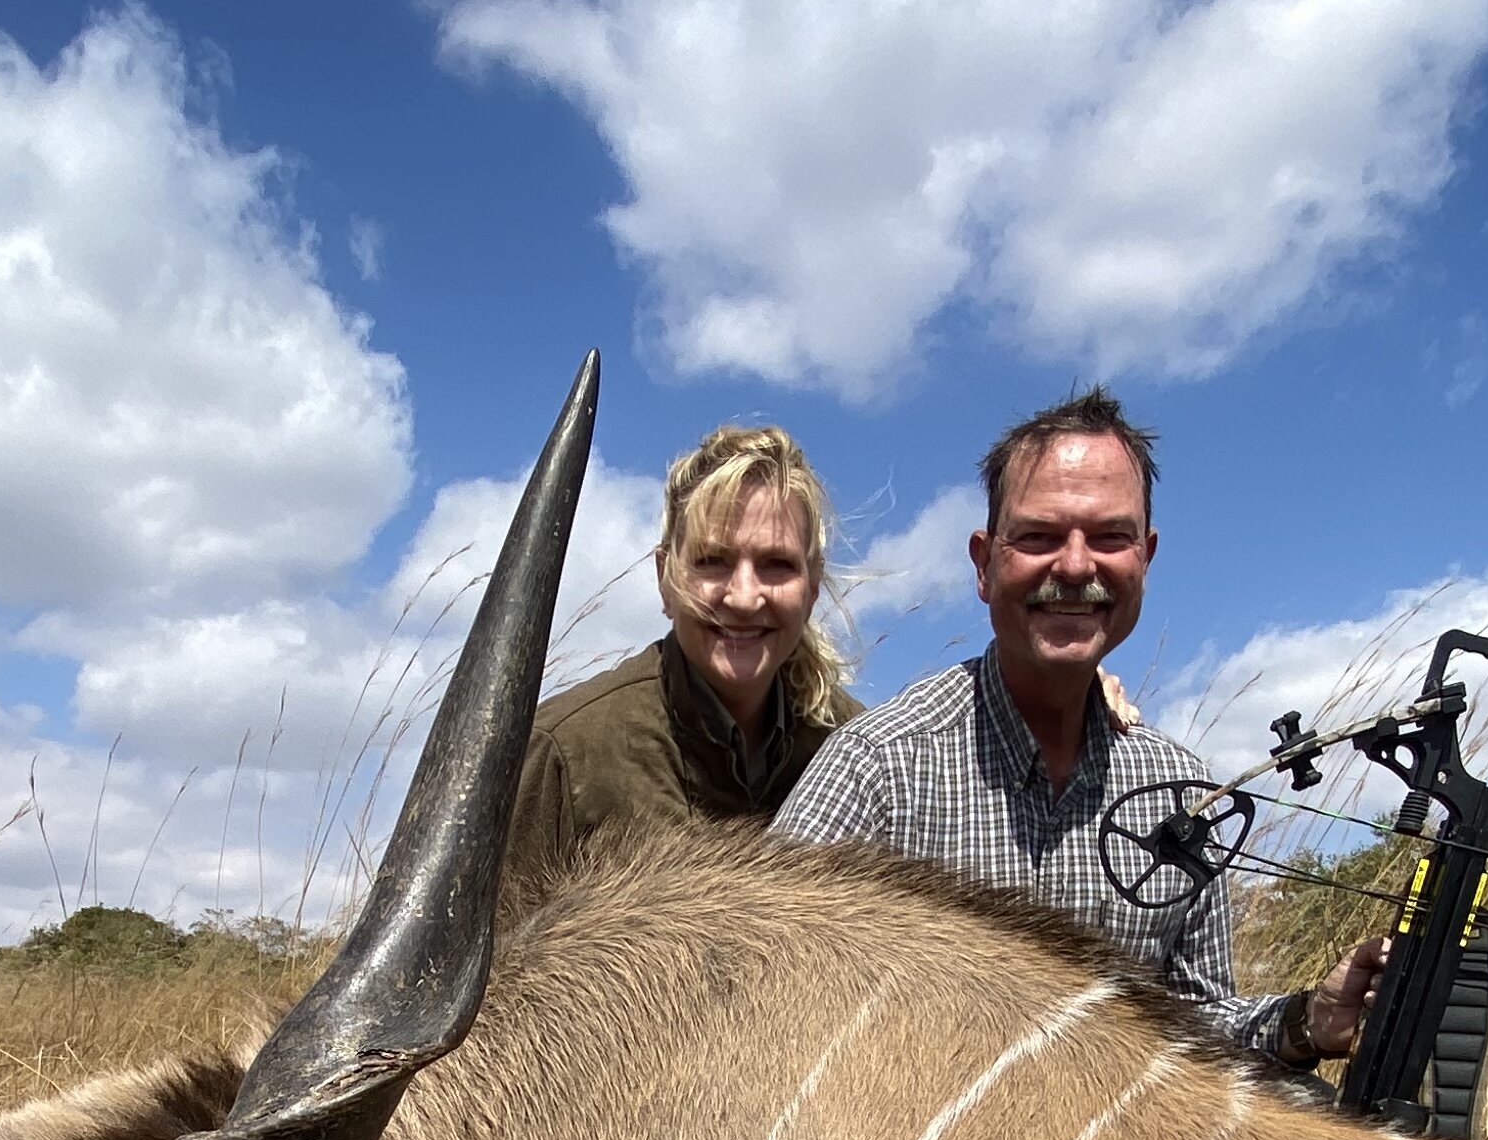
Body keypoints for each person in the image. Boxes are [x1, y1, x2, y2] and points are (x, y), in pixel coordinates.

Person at [773, 388, 1382, 1073]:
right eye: (1037, 536)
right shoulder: (878, 766)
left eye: (1108, 537)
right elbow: (762, 988)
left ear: (1145, 558)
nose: (1074, 566)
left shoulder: (1180, 793)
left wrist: (1310, 1020)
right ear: (983, 562)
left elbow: (1198, 1024)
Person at [508, 423, 859, 879]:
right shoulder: (564, 753)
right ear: (665, 577)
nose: (744, 597)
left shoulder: (859, 753)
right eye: (713, 561)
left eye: (777, 565)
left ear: (812, 585)